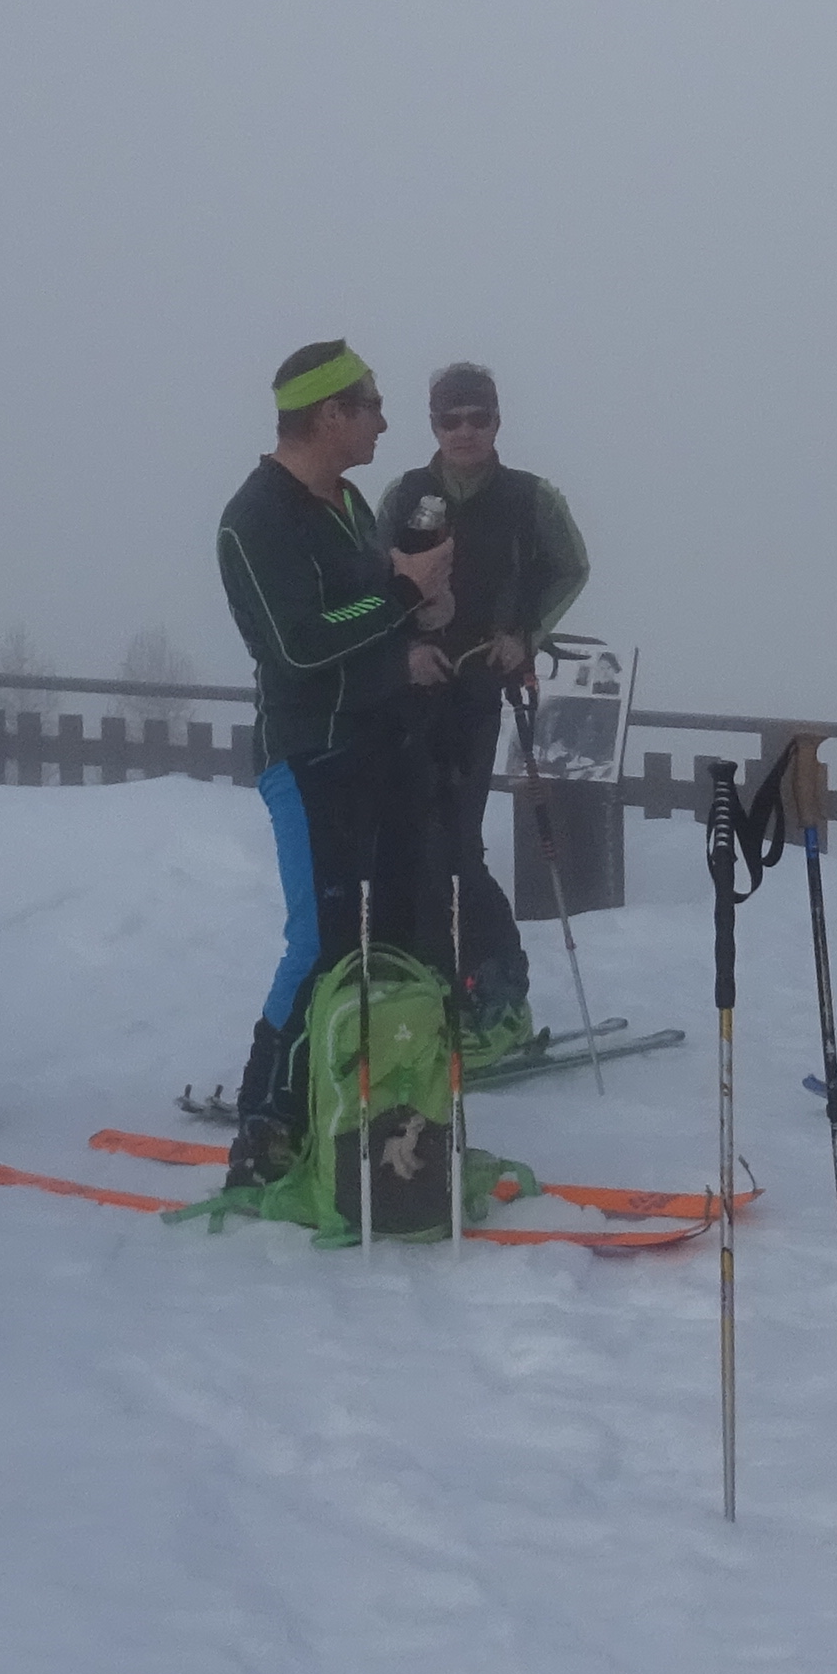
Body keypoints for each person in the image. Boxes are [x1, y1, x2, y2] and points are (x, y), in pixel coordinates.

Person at [212, 340, 462, 1180]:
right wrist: (402, 592)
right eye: (373, 406)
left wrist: (421, 615)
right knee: (319, 942)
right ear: (331, 415)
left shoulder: (349, 504)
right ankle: (264, 1121)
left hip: (379, 748)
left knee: (388, 939)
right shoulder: (256, 518)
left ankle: (373, 1111)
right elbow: (300, 645)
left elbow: (367, 613)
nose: (385, 423)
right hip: (309, 755)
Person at [374, 361, 594, 1053]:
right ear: (433, 424)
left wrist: (525, 634)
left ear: (497, 421)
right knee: (408, 843)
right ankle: (427, 990)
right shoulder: (403, 495)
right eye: (451, 419)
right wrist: (404, 648)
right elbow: (371, 580)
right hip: (407, 695)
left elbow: (571, 569)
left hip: (476, 689)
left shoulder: (530, 497)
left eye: (478, 417)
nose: (465, 431)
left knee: (456, 844)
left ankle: (498, 994)